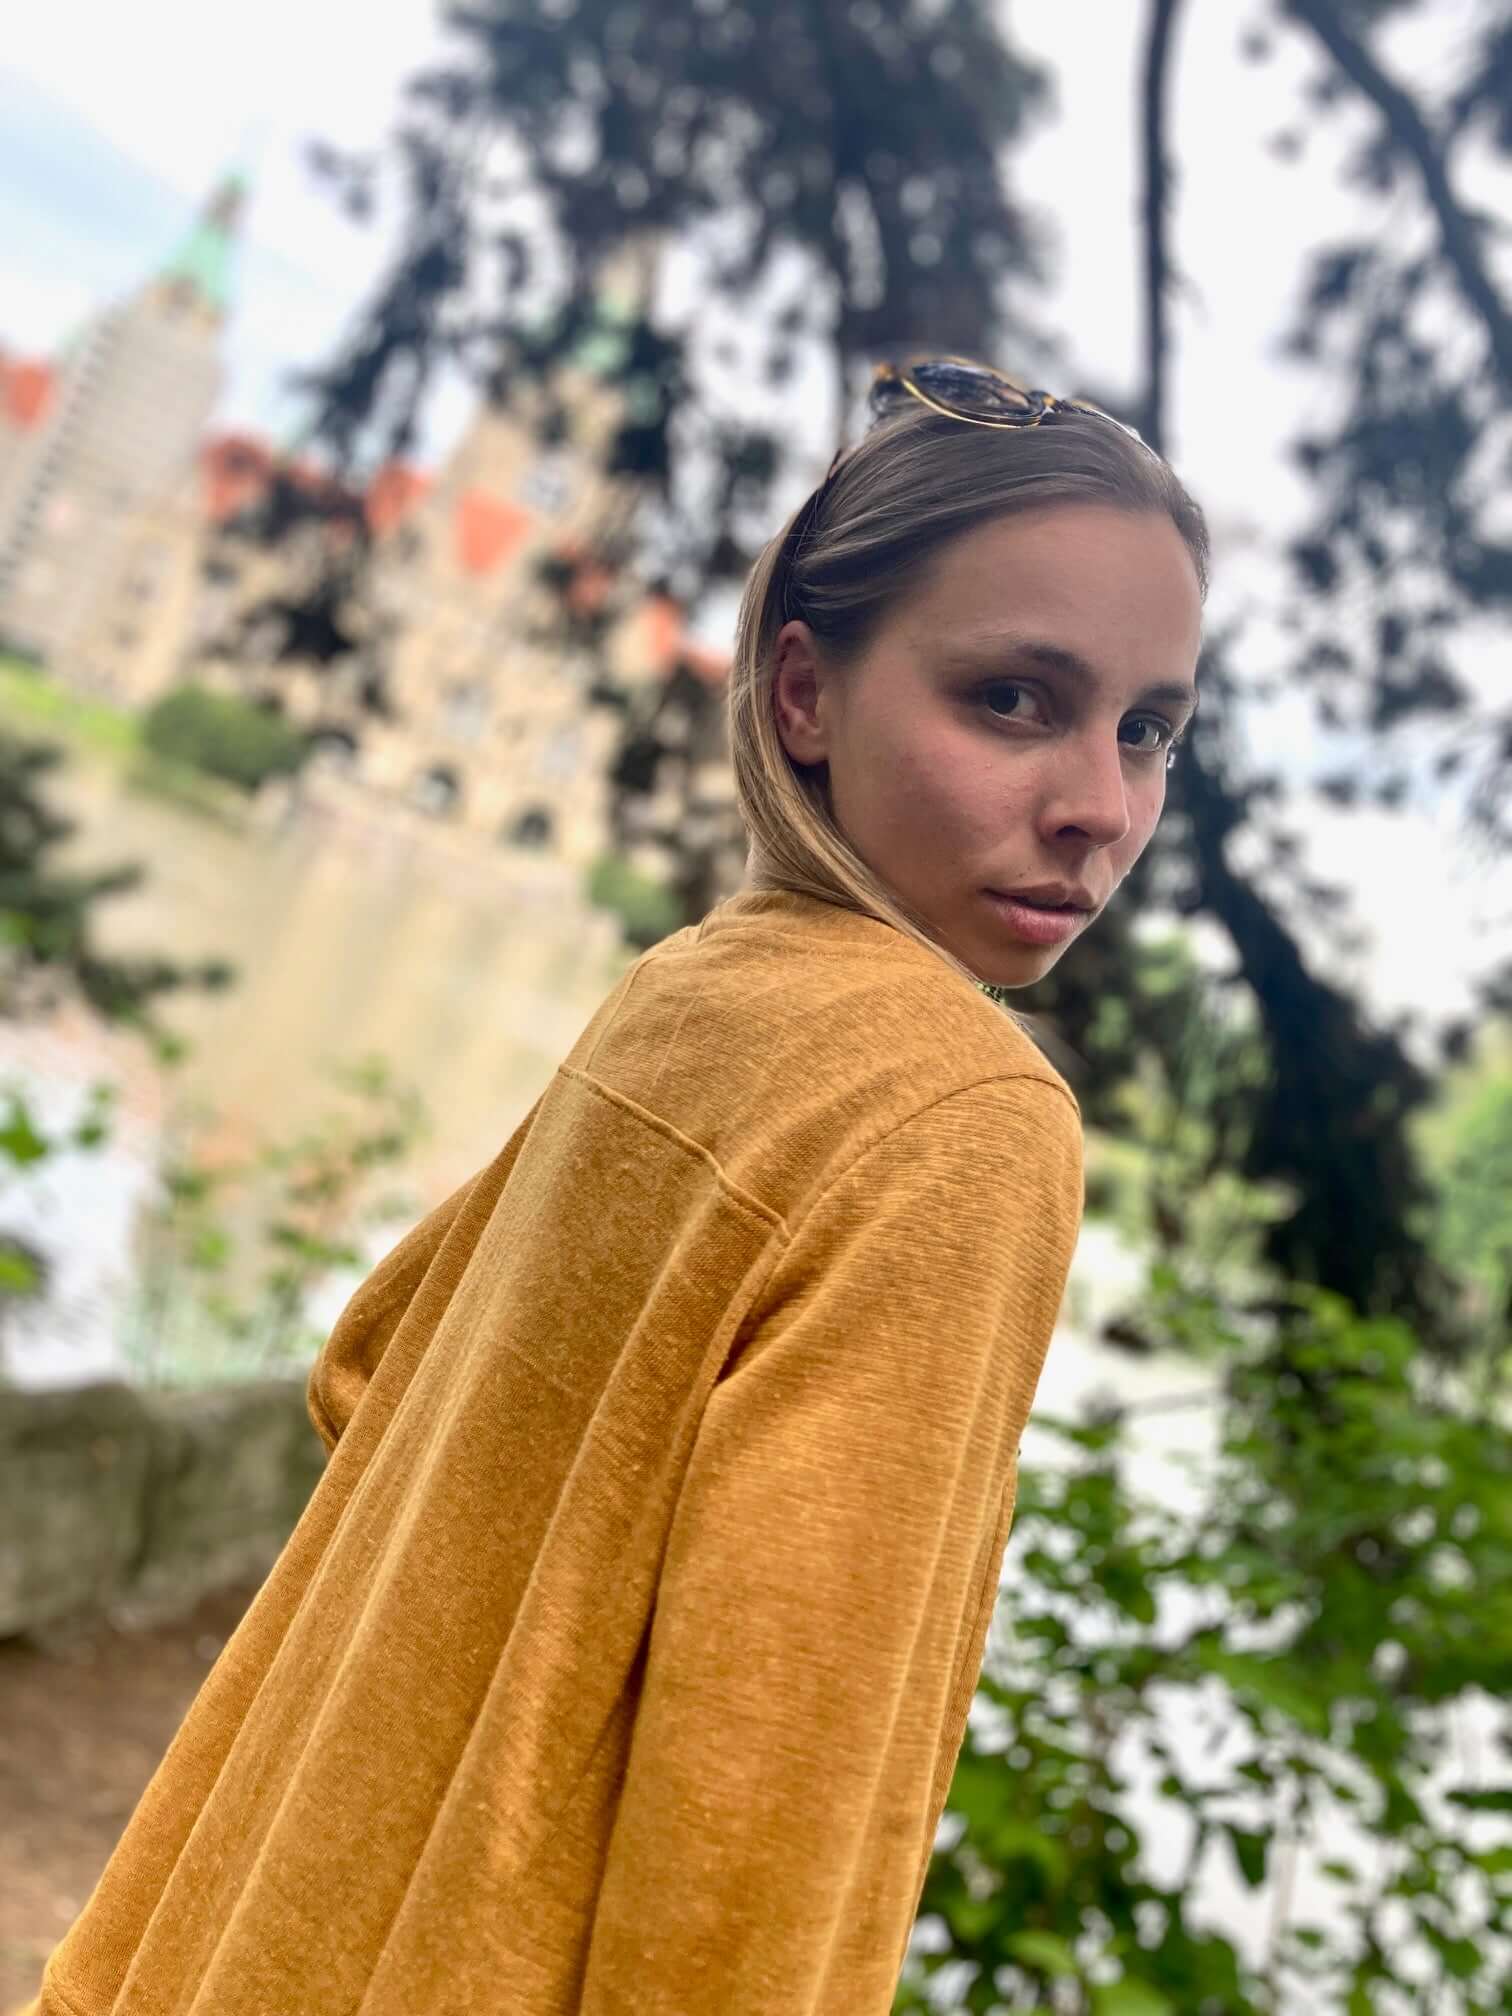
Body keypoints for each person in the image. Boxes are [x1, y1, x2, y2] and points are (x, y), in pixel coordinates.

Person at [18, 356, 1207, 2016]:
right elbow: (760, 1817)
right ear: (803, 694)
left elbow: (366, 1364)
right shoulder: (961, 1116)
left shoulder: (697, 992)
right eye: (1014, 699)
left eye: (1149, 730)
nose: (1100, 810)